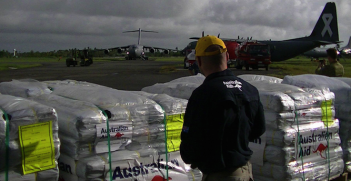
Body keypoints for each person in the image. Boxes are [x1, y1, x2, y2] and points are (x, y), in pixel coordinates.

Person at [180, 35, 266, 181]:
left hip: (221, 174)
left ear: (199, 61)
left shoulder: (202, 94)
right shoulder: (250, 89)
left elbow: (190, 145)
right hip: (245, 171)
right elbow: (259, 129)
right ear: (227, 56)